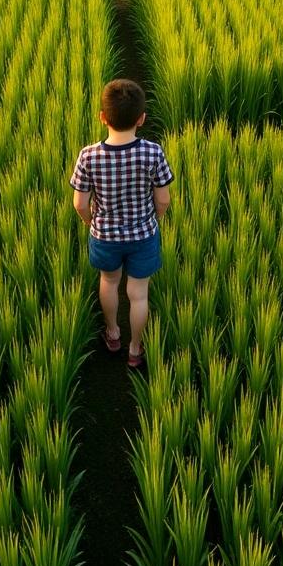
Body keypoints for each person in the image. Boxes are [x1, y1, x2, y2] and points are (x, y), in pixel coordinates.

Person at [69, 79, 174, 369]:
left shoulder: (88, 156)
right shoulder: (153, 152)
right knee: (139, 293)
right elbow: (163, 200)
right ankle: (135, 349)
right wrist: (153, 219)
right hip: (143, 234)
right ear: (141, 119)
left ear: (103, 117)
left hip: (105, 236)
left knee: (109, 281)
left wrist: (93, 223)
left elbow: (79, 203)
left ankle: (113, 334)